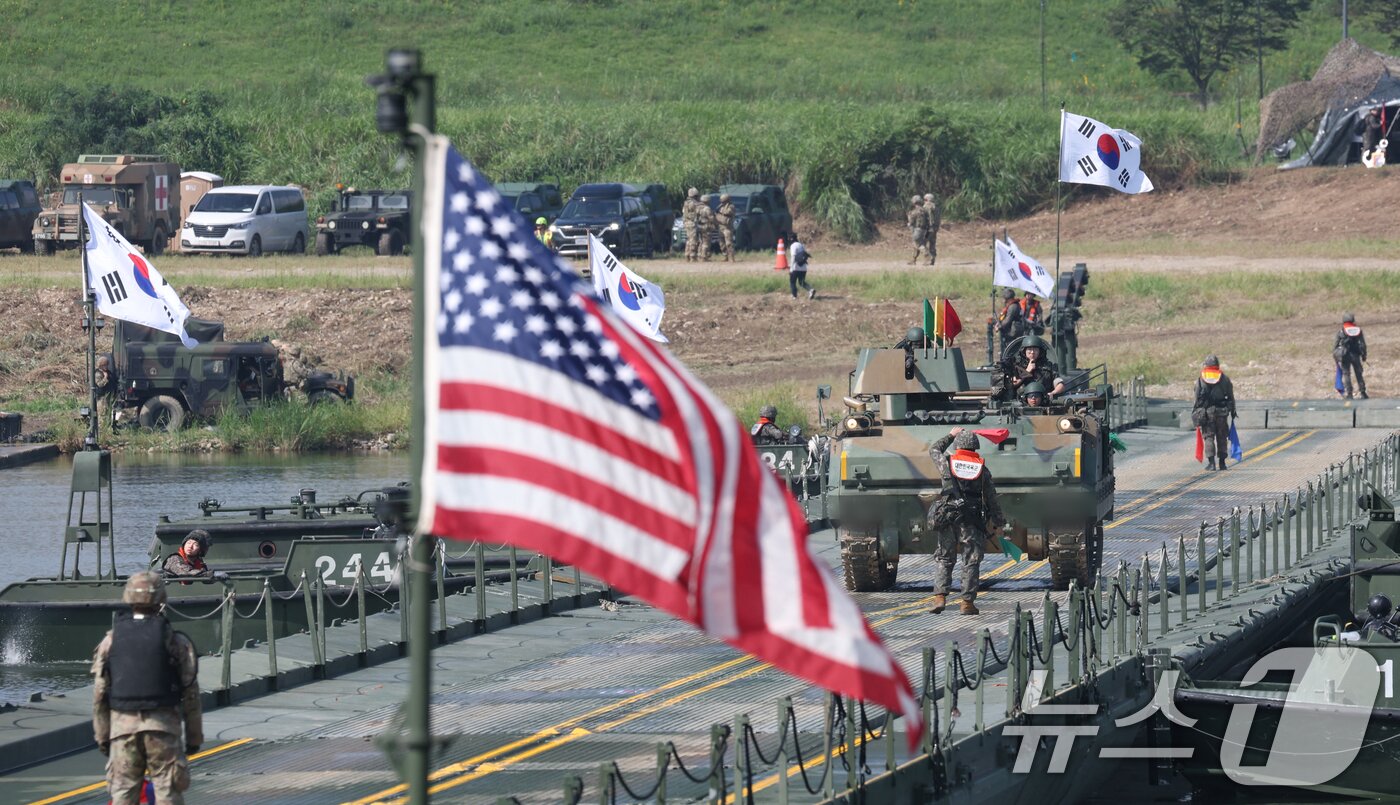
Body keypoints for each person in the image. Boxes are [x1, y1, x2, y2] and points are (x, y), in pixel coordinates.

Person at [92, 571, 202, 805]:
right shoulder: (175, 641)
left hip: (123, 730)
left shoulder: (110, 641)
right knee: (167, 791)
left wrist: (103, 737)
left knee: (122, 792)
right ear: (161, 598)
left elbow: (100, 694)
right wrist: (194, 738)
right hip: (163, 729)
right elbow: (190, 693)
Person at [926, 428, 1005, 615]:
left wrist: (950, 435)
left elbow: (934, 449)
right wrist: (999, 520)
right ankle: (967, 603)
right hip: (972, 519)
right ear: (975, 447)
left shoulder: (946, 462)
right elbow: (991, 498)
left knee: (945, 557)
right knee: (971, 560)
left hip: (947, 516)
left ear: (957, 445)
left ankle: (940, 597)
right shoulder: (982, 469)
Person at [1192, 355, 1236, 471]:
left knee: (1209, 437)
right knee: (1222, 437)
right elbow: (1231, 396)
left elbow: (1196, 397)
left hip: (1207, 413)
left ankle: (1211, 464)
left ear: (1206, 365)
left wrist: (1195, 411)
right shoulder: (1225, 379)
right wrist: (1233, 411)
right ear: (1218, 365)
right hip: (1222, 412)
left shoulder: (1200, 379)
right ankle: (1222, 463)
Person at [992, 334, 1065, 402]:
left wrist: (1053, 393)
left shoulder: (1049, 366)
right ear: (1024, 351)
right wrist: (1027, 371)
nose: (1032, 352)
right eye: (1029, 349)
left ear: (1040, 351)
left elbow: (1060, 384)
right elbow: (1013, 383)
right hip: (1020, 403)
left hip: (1043, 402)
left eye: (1035, 349)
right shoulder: (1016, 366)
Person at [1334, 313, 1368, 400]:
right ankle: (1363, 392)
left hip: (1345, 355)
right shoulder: (1358, 330)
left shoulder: (1342, 331)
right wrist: (1364, 355)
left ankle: (1349, 394)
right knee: (1359, 374)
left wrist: (1336, 355)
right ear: (1353, 320)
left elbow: (1336, 345)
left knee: (1346, 374)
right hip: (1356, 355)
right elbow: (1363, 344)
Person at [996, 288, 1025, 359]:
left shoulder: (1013, 307)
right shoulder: (1013, 305)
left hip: (1012, 333)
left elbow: (1008, 320)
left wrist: (999, 326)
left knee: (1010, 351)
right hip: (1013, 331)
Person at [789, 235, 815, 300]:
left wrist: (791, 268)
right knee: (801, 282)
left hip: (795, 267)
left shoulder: (793, 246)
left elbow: (793, 257)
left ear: (791, 239)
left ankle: (794, 296)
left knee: (792, 282)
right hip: (803, 267)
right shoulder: (801, 245)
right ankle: (811, 290)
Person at [906, 195, 929, 265]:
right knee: (915, 245)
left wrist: (908, 217)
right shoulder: (924, 210)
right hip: (924, 229)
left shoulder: (915, 211)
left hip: (917, 229)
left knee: (918, 244)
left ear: (915, 201)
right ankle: (913, 260)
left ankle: (927, 255)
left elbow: (911, 221)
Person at [715, 193, 737, 262]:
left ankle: (731, 257)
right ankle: (725, 256)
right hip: (721, 227)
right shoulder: (721, 206)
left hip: (727, 227)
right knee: (721, 243)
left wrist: (720, 211)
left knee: (729, 243)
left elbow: (728, 212)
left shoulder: (731, 206)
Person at [696, 195, 717, 262]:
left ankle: (699, 255)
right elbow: (711, 218)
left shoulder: (697, 208)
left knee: (700, 241)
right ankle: (704, 257)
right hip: (706, 227)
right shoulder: (707, 208)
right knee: (706, 242)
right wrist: (716, 223)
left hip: (699, 226)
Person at [682, 188, 701, 263]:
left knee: (689, 240)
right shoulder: (693, 203)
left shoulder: (686, 202)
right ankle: (692, 256)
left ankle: (687, 255)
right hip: (692, 223)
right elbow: (698, 212)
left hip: (686, 223)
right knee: (693, 240)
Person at [923, 193, 941, 266]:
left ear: (927, 199)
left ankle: (928, 258)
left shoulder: (927, 207)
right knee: (932, 243)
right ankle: (932, 258)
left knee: (922, 243)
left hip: (928, 228)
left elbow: (927, 218)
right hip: (935, 228)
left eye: (924, 199)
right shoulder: (936, 207)